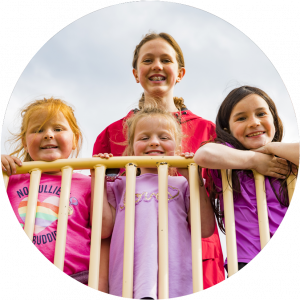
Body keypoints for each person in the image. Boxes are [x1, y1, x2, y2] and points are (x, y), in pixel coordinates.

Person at [94, 32, 228, 292]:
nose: (156, 65)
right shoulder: (112, 134)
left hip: (198, 257)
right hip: (133, 266)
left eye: (165, 59)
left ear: (180, 73)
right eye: (148, 60)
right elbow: (102, 212)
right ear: (136, 73)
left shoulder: (208, 131)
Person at [93, 106, 215, 299]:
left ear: (177, 147)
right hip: (128, 281)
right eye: (144, 138)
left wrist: (193, 178)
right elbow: (103, 229)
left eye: (164, 137)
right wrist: (98, 177)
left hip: (174, 280)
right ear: (131, 148)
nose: (154, 142)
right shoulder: (120, 185)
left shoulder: (182, 184)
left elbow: (206, 228)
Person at [1, 98, 104, 287]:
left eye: (58, 129)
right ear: (25, 142)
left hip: (78, 275)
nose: (48, 135)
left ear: (75, 139)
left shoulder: (87, 183)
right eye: (38, 130)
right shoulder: (11, 180)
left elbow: (104, 227)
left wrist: (101, 177)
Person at [194, 86, 299, 272]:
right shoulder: (230, 160)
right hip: (246, 259)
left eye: (261, 114)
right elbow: (203, 155)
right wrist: (255, 160)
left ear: (274, 120)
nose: (254, 122)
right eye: (241, 118)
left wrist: (270, 148)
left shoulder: (283, 158)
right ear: (227, 128)